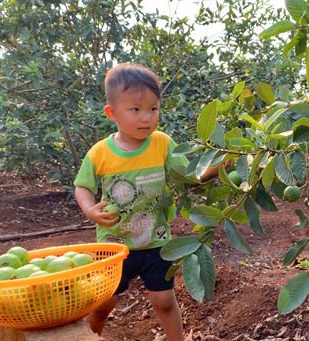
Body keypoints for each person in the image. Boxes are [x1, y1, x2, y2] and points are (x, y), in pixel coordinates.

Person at [74, 63, 224, 340]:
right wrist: (89, 209)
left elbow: (187, 176)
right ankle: (88, 337)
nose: (147, 118)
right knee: (104, 303)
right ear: (112, 113)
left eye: (153, 109)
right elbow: (83, 186)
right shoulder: (100, 153)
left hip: (157, 241)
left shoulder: (163, 143)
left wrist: (217, 168)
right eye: (136, 110)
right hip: (114, 246)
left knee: (165, 301)